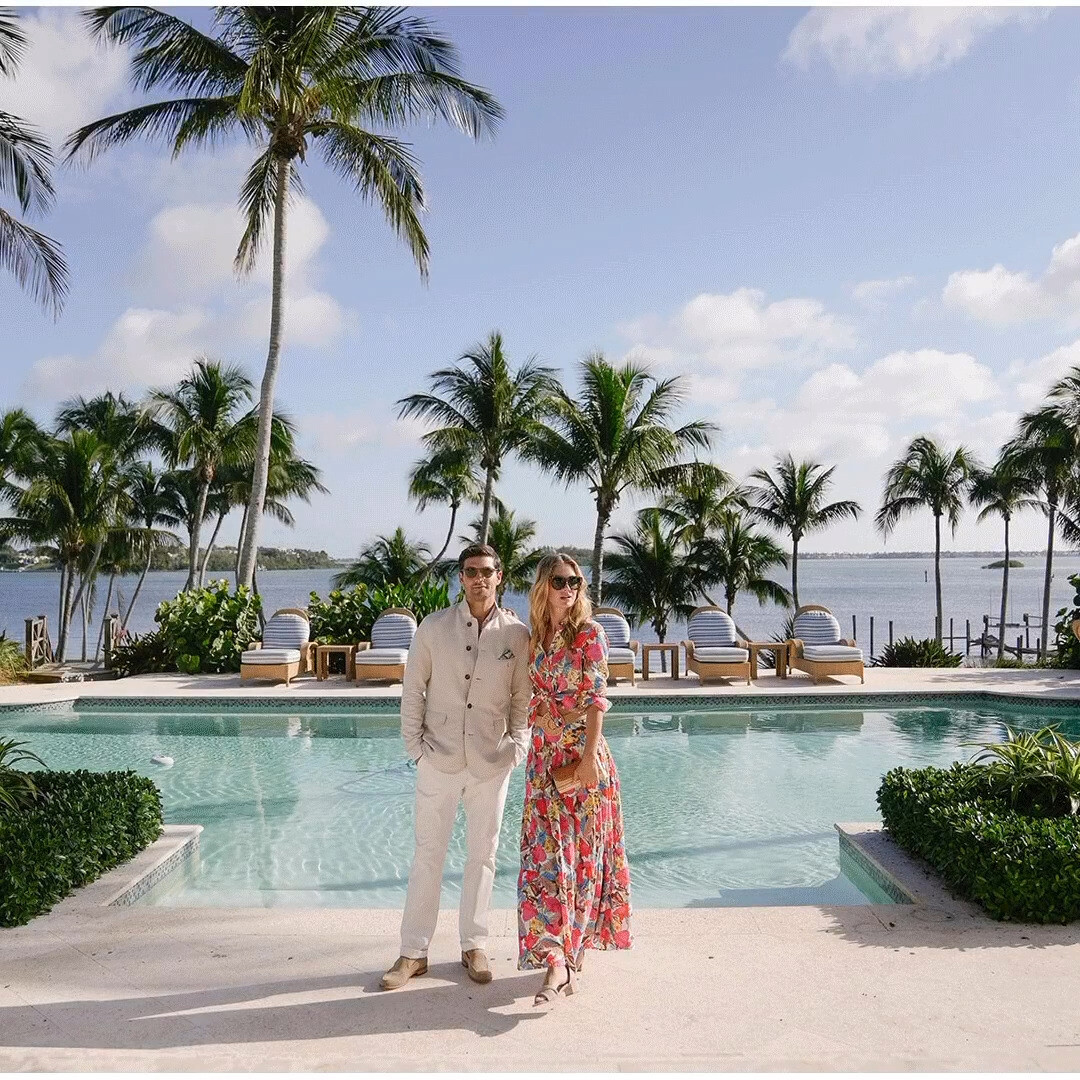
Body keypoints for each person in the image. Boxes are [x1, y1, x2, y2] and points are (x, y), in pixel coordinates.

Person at [380, 544, 531, 991]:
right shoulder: (432, 628)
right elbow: (413, 690)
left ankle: (474, 945)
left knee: (483, 856)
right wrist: (416, 749)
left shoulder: (517, 634)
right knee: (428, 854)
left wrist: (518, 747)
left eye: (487, 571)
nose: (479, 579)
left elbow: (522, 698)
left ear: (499, 577)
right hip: (439, 758)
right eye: (471, 572)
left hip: (492, 761)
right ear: (461, 578)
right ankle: (413, 951)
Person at [517, 552, 632, 1006]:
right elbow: (531, 693)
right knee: (544, 862)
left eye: (576, 582)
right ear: (544, 585)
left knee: (582, 861)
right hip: (542, 762)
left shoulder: (590, 633)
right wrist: (539, 713)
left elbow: (597, 699)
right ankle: (557, 957)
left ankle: (566, 960)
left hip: (582, 759)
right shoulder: (535, 636)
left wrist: (587, 760)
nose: (569, 589)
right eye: (560, 581)